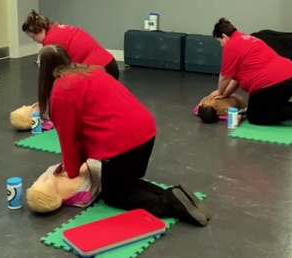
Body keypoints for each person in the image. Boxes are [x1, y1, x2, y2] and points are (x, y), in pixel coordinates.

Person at [37, 44, 210, 226]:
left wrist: (72, 172)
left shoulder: (61, 92)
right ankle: (175, 194)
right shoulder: (92, 71)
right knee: (126, 183)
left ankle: (171, 204)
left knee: (115, 195)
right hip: (145, 131)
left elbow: (69, 139)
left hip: (122, 142)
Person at [210, 18, 292, 131]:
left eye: (219, 41)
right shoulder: (248, 38)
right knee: (258, 108)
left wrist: (220, 92)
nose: (221, 45)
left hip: (273, 83)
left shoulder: (231, 45)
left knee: (255, 116)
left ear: (224, 36)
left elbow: (225, 77)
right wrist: (226, 94)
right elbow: (235, 79)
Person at [22, 10, 119, 80]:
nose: (34, 40)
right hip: (109, 64)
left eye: (33, 37)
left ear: (40, 30)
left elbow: (52, 75)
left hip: (100, 71)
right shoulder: (59, 28)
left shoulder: (50, 42)